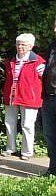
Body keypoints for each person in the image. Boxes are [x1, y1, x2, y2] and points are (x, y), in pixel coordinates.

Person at [1, 33, 46, 160]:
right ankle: (10, 149)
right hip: (11, 96)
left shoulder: (39, 62)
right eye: (18, 44)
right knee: (9, 123)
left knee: (27, 125)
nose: (20, 46)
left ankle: (27, 152)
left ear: (31, 46)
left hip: (29, 98)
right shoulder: (10, 60)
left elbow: (46, 79)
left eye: (23, 44)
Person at [42, 18, 56, 177]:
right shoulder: (52, 46)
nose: (55, 29)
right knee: (50, 135)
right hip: (48, 96)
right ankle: (53, 169)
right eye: (54, 26)